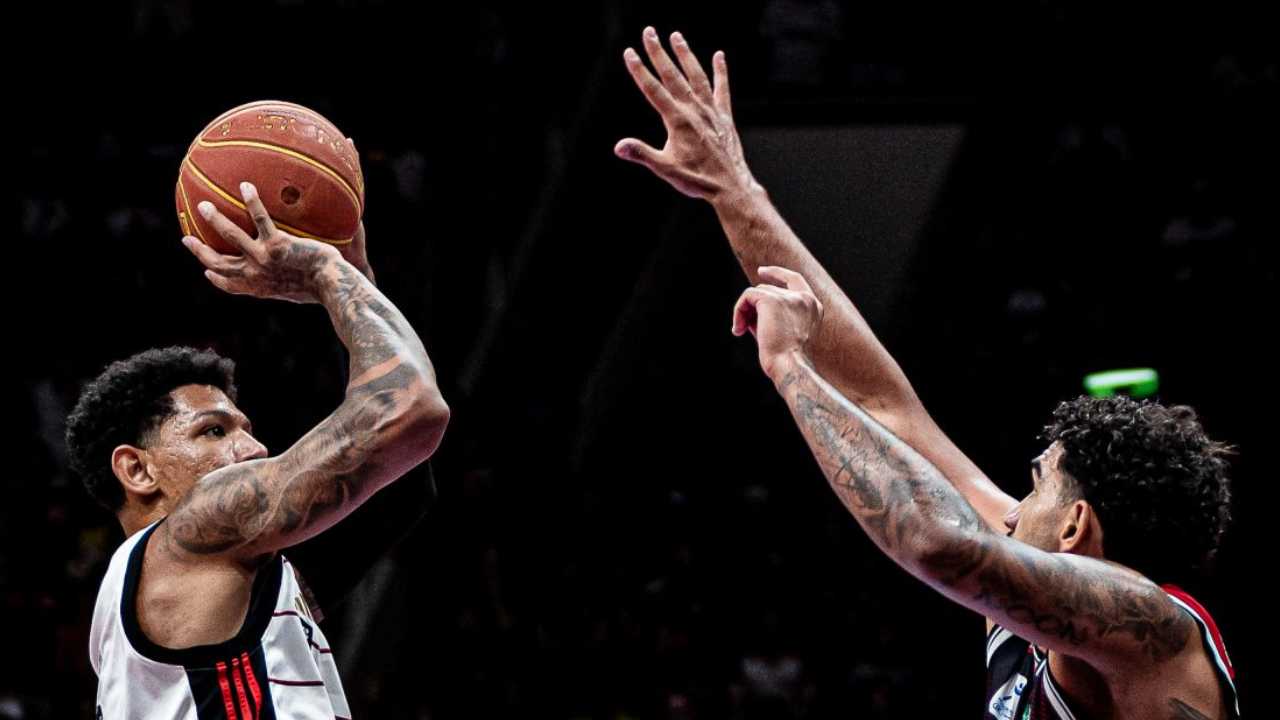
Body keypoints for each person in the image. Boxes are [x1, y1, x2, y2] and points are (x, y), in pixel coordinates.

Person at [616, 27, 1239, 719]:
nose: (1013, 506)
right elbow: (886, 407)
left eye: (1038, 486)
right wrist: (735, 191)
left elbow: (936, 541)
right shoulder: (1035, 580)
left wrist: (790, 367)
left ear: (1074, 527)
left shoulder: (1156, 634)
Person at [66, 181, 450, 719]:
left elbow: (401, 482)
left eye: (245, 427)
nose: (253, 446)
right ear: (137, 469)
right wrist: (328, 273)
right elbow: (410, 411)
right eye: (213, 431)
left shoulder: (213, 581)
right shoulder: (194, 534)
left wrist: (355, 287)